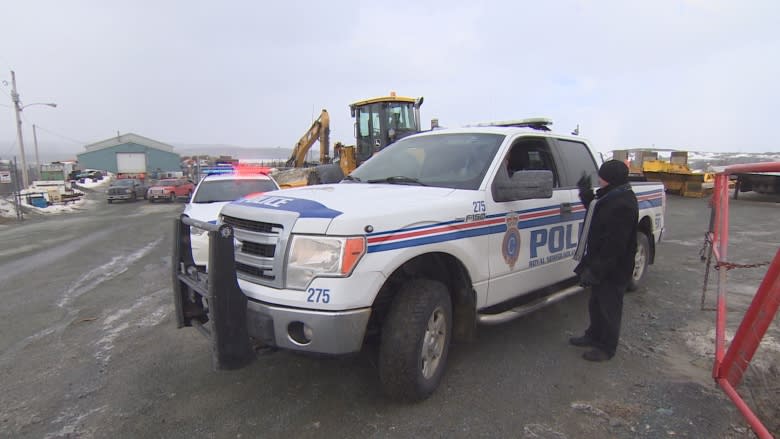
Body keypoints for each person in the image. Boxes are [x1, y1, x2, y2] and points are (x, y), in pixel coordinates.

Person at [569, 160, 638, 362]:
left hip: (614, 267)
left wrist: (596, 270)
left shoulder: (623, 204)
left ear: (611, 178)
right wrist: (584, 191)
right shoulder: (613, 194)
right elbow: (595, 205)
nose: (599, 179)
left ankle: (606, 347)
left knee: (609, 307)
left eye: (602, 176)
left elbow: (615, 246)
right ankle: (593, 335)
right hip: (601, 262)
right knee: (596, 302)